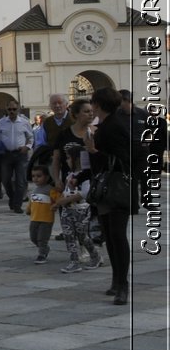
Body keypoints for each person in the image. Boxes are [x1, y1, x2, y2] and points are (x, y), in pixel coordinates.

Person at [86, 86, 134, 304]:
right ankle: (117, 281)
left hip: (116, 188)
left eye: (93, 104)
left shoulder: (113, 126)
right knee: (111, 236)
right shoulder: (108, 124)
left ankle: (122, 284)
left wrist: (94, 151)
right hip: (108, 187)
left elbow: (123, 157)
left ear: (97, 104)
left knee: (117, 235)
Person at [48, 107, 102, 273]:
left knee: (82, 235)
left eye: (70, 158)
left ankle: (95, 255)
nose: (67, 160)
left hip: (81, 210)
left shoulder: (84, 176)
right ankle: (74, 261)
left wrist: (63, 201)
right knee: (69, 235)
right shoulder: (69, 174)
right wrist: (60, 198)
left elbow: (85, 192)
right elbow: (65, 189)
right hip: (67, 210)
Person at [0, 103, 36, 213]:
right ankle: (12, 198)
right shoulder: (1, 122)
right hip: (6, 154)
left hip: (20, 154)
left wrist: (27, 147)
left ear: (18, 110)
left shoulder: (24, 122)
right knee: (6, 180)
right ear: (6, 109)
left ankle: (17, 205)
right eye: (9, 109)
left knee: (20, 181)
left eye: (14, 109)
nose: (12, 111)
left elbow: (31, 137)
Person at [25, 162, 60, 266]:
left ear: (47, 177)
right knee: (33, 237)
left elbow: (59, 199)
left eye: (39, 176)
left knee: (42, 238)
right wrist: (28, 209)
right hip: (34, 218)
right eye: (33, 176)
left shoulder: (51, 190)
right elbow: (32, 201)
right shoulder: (35, 189)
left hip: (46, 219)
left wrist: (56, 205)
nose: (36, 179)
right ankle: (43, 248)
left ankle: (42, 254)